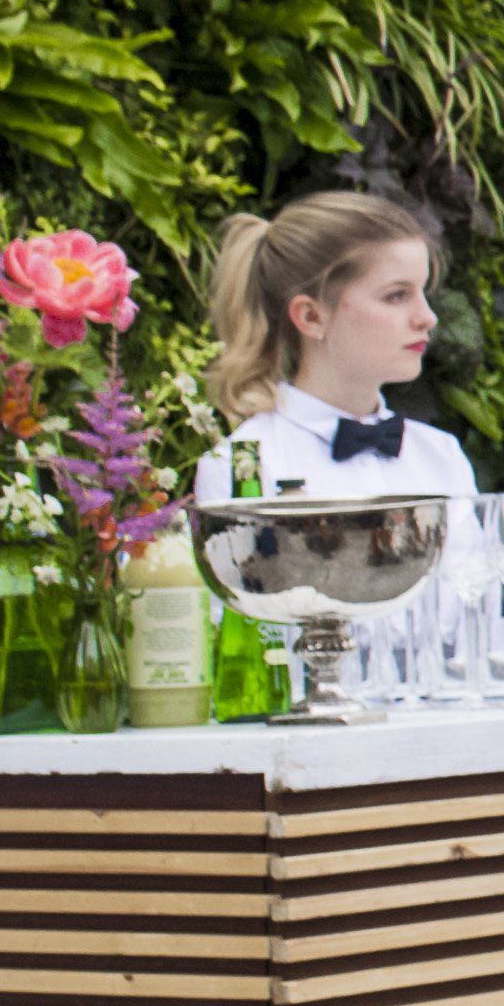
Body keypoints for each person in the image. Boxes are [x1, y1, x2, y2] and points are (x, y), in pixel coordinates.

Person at [191, 187, 478, 669]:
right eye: (396, 295)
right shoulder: (242, 464)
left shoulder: (441, 457)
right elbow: (245, 643)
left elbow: (475, 618)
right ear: (310, 315)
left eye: (423, 292)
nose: (426, 317)